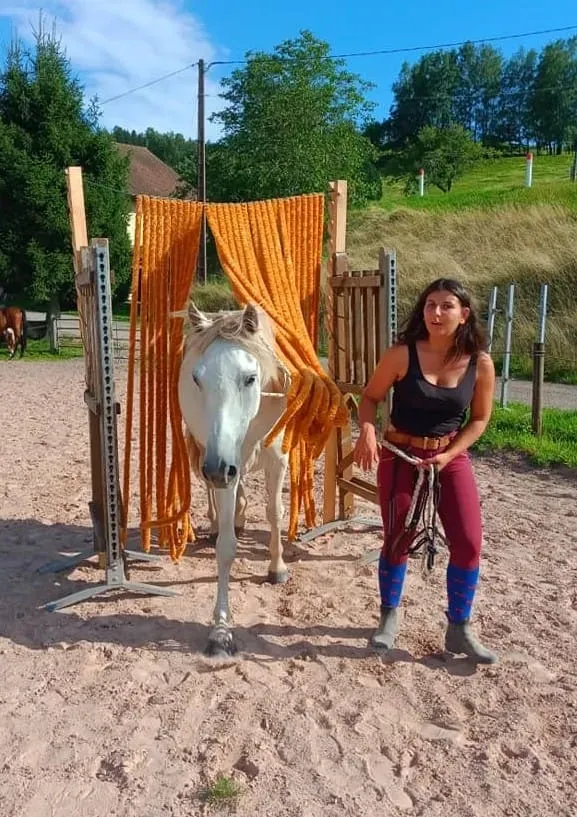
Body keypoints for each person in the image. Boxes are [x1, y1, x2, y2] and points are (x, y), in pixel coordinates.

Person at [353, 277, 497, 664]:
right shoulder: (402, 354)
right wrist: (366, 429)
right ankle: (388, 616)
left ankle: (460, 627)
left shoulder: (480, 363)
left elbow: (479, 420)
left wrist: (450, 456)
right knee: (399, 536)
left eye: (446, 306)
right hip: (400, 454)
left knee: (468, 542)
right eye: (430, 305)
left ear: (463, 314)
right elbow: (370, 397)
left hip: (449, 457)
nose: (435, 313)